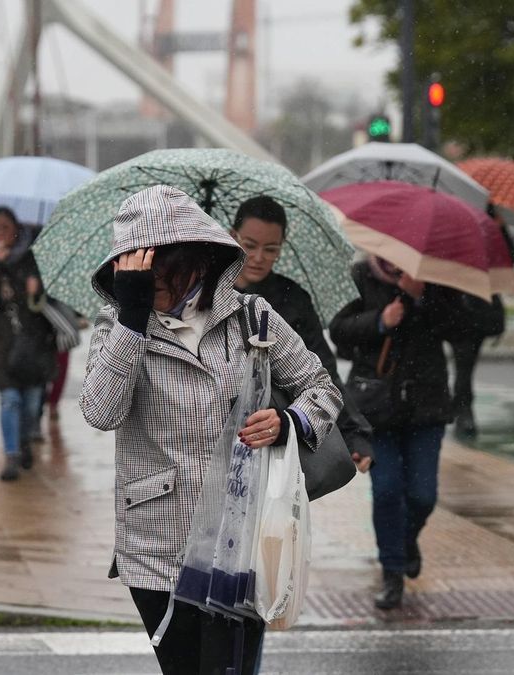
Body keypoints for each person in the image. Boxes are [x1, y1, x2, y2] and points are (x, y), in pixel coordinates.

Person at [79, 186, 341, 675]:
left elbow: (321, 388)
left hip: (241, 536)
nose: (154, 283)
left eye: (165, 271)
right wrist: (132, 319)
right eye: (141, 271)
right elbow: (100, 412)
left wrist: (287, 422)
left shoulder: (251, 316)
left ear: (198, 262)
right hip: (157, 546)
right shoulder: (116, 326)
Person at [329, 256, 467, 610]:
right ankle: (392, 571)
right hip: (377, 409)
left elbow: (461, 329)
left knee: (422, 496)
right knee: (387, 490)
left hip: (426, 407)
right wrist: (380, 320)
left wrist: (421, 297)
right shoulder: (361, 274)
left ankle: (405, 541)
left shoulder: (436, 276)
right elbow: (339, 330)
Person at [230, 195, 373, 472]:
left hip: (276, 434)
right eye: (249, 245)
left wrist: (354, 434)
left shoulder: (293, 299)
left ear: (282, 247)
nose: (258, 258)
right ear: (232, 236)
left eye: (270, 249)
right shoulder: (206, 292)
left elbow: (323, 373)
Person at [0, 206, 58, 482]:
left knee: (32, 402)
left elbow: (51, 294)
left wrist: (37, 288)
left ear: (16, 228)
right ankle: (11, 455)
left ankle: (23, 441)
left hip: (34, 339)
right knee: (9, 399)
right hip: (1, 340)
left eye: (4, 228)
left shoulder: (35, 255)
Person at [450, 205, 514, 438]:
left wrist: (500, 228)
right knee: (462, 362)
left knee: (465, 363)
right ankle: (460, 408)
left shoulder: (488, 219)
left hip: (477, 307)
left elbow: (511, 257)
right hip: (454, 305)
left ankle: (461, 408)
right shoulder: (454, 219)